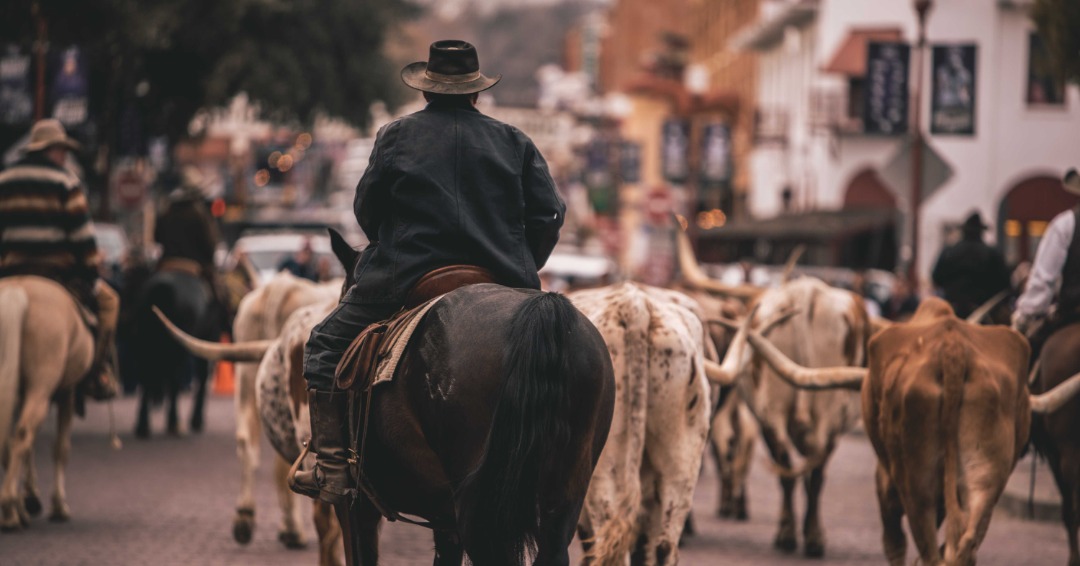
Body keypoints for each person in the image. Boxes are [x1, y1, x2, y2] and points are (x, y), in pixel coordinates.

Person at [291, 40, 566, 505]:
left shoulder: (397, 136)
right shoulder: (514, 140)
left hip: (406, 277)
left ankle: (333, 466)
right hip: (503, 279)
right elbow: (549, 215)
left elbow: (367, 210)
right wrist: (520, 267)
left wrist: (394, 241)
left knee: (324, 344)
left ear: (427, 92)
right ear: (476, 93)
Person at [0, 118, 119, 399]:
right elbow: (82, 238)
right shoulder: (65, 181)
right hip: (57, 273)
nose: (64, 156)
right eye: (61, 150)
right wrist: (92, 270)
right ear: (51, 150)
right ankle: (97, 374)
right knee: (110, 303)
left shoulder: (4, 180)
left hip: (9, 271)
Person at [1012, 169, 1080, 353]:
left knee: (1024, 361)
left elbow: (1043, 280)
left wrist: (1025, 317)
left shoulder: (1066, 224)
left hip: (1072, 313)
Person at [153, 166, 227, 325]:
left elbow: (156, 238)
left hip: (167, 263)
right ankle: (224, 332)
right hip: (193, 267)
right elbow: (210, 245)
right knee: (221, 299)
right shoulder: (200, 213)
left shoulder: (167, 210)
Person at [930, 211, 1011, 319]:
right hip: (984, 312)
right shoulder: (992, 254)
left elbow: (936, 277)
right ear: (981, 232)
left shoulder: (949, 252)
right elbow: (1004, 284)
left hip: (952, 313)